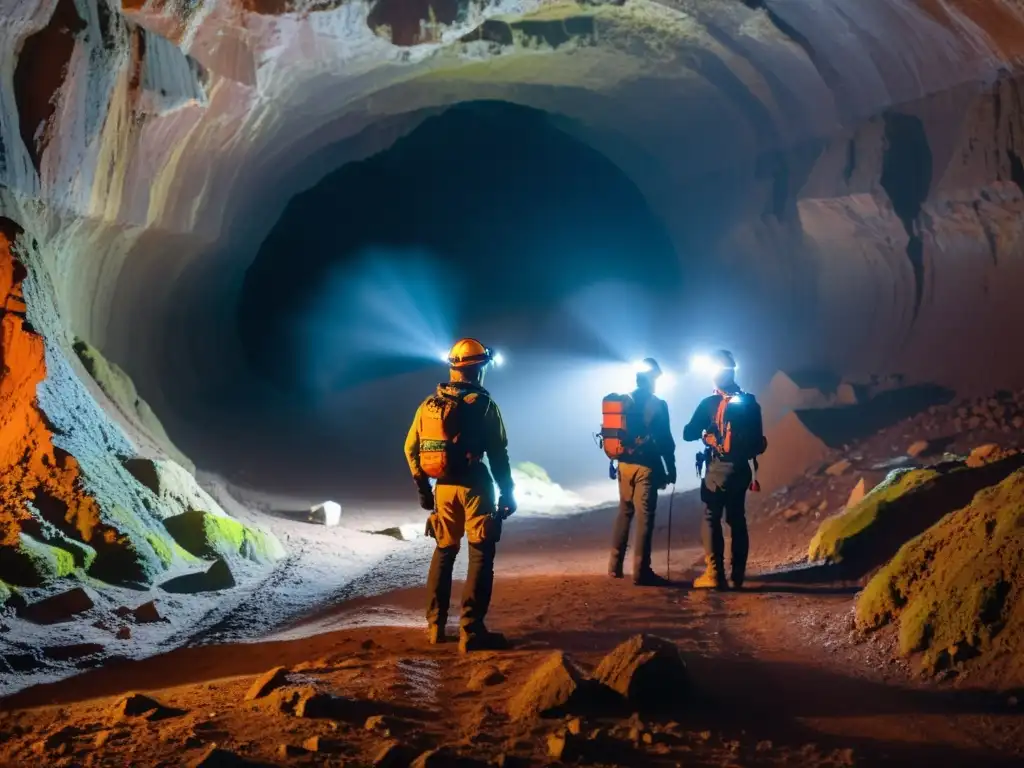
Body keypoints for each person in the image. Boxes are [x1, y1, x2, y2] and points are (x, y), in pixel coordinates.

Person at [404, 338, 516, 652]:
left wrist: (423, 487)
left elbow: (410, 448)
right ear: (479, 369)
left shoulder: (429, 404)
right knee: (480, 553)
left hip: (443, 486)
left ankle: (435, 627)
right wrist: (507, 491)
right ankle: (471, 631)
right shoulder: (484, 405)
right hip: (475, 485)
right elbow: (498, 453)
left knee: (444, 551)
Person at [683, 350, 767, 590]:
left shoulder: (709, 403)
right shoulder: (750, 402)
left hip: (717, 470)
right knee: (737, 519)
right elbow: (758, 442)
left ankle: (715, 575)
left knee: (711, 517)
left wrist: (704, 434)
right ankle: (737, 575)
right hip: (742, 470)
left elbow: (687, 433)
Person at [608, 358, 677, 586]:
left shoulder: (623, 401)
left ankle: (614, 567)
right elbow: (666, 440)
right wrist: (671, 467)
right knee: (645, 518)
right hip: (646, 466)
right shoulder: (657, 404)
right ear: (654, 379)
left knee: (625, 512)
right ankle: (641, 571)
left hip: (623, 465)